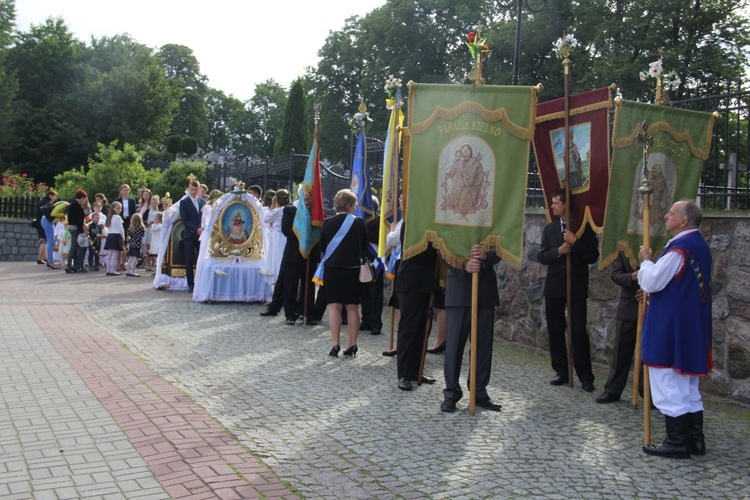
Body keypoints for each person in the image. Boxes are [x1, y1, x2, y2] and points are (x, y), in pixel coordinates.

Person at [638, 200, 712, 459]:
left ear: (683, 221)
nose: (666, 215)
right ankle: (695, 440)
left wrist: (646, 262)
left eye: (671, 213)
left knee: (669, 383)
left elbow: (652, 281)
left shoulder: (680, 250)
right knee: (688, 387)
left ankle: (677, 442)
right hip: (691, 325)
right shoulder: (699, 245)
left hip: (672, 327)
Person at [537, 188, 599, 392]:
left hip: (576, 285)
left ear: (565, 205)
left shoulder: (584, 227)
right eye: (552, 203)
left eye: (556, 203)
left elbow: (592, 255)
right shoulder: (550, 229)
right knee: (555, 329)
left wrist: (575, 243)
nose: (552, 206)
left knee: (578, 330)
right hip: (555, 286)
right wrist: (558, 251)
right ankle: (561, 371)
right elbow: (542, 255)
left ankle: (585, 375)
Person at [441, 244, 502, 412]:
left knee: (482, 346)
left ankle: (479, 391)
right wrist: (462, 265)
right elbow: (442, 249)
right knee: (454, 345)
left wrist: (486, 256)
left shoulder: (492, 217)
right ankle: (451, 393)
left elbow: (500, 247)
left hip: (485, 289)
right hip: (459, 287)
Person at [317, 189, 368, 357]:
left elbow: (323, 247)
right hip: (353, 270)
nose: (355, 208)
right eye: (354, 205)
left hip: (333, 270)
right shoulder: (359, 222)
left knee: (334, 307)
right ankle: (352, 343)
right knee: (352, 307)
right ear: (349, 205)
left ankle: (335, 344)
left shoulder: (327, 222)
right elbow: (365, 246)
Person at [394, 218, 438, 391]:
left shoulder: (433, 221)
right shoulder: (410, 221)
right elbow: (416, 249)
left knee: (422, 330)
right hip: (411, 281)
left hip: (427, 282)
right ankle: (404, 373)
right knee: (409, 329)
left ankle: (415, 370)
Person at [596, 251, 641, 403]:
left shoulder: (658, 245)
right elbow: (615, 274)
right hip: (628, 305)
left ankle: (648, 391)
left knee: (648, 353)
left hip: (651, 306)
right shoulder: (624, 247)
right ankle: (613, 389)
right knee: (621, 350)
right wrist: (632, 277)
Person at [360, 196, 384, 336]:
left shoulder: (379, 221)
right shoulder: (360, 220)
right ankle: (366, 320)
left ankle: (376, 323)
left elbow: (381, 240)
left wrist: (365, 232)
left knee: (375, 294)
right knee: (364, 293)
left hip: (376, 262)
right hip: (363, 260)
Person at [179, 180, 205, 292]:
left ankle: (201, 281)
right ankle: (191, 284)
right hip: (190, 234)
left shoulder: (202, 202)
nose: (194, 192)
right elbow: (185, 220)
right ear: (189, 189)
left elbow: (205, 217)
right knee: (189, 260)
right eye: (192, 189)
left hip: (201, 235)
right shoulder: (184, 202)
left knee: (201, 259)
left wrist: (202, 228)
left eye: (196, 190)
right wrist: (196, 229)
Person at [264, 189, 290, 286]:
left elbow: (266, 219)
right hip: (284, 237)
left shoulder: (278, 210)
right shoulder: (290, 209)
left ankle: (276, 280)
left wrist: (273, 204)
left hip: (277, 237)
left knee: (276, 260)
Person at [65, 189, 88, 274]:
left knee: (76, 246)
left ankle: (74, 265)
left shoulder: (73, 205)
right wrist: (82, 231)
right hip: (75, 228)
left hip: (73, 227)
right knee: (74, 246)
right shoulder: (76, 206)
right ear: (81, 198)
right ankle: (69, 265)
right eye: (84, 198)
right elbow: (78, 220)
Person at [114, 184, 136, 271]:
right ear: (120, 191)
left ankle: (124, 263)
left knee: (126, 244)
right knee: (119, 244)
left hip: (129, 222)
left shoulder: (132, 201)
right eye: (123, 190)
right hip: (120, 221)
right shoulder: (117, 200)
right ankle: (118, 263)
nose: (125, 192)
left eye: (126, 190)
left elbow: (134, 212)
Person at [37, 189, 59, 268]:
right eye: (54, 196)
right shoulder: (49, 204)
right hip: (47, 221)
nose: (55, 198)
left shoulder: (48, 203)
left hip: (46, 221)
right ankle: (50, 261)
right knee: (50, 241)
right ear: (50, 196)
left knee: (50, 241)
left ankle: (48, 260)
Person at [104, 201, 125, 276]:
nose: (119, 210)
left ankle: (108, 270)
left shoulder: (110, 217)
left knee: (110, 253)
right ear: (113, 208)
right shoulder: (117, 217)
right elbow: (121, 228)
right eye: (118, 208)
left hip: (110, 235)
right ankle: (112, 270)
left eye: (120, 208)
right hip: (116, 235)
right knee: (114, 254)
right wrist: (123, 237)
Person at [126, 213, 145, 277]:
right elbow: (142, 235)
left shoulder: (130, 227)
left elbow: (129, 234)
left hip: (131, 243)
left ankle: (128, 271)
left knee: (130, 257)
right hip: (137, 244)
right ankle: (133, 271)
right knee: (135, 258)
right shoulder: (141, 228)